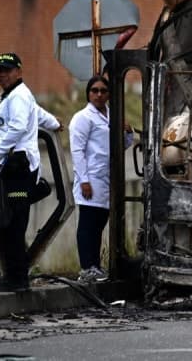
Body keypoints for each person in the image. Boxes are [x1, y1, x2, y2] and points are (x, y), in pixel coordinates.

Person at [0, 52, 41, 292]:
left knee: (13, 225)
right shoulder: (16, 96)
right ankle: (14, 277)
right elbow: (36, 114)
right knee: (9, 225)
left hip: (17, 167)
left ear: (19, 71)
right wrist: (53, 123)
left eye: (7, 70)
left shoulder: (18, 97)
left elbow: (16, 127)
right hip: (13, 167)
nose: (2, 75)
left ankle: (17, 280)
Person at [69, 75, 133, 282]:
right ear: (88, 93)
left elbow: (120, 146)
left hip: (106, 180)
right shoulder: (82, 118)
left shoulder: (111, 116)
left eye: (103, 91)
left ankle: (95, 266)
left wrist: (128, 132)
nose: (98, 94)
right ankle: (87, 267)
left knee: (99, 224)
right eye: (94, 90)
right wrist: (84, 181)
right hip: (91, 179)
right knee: (88, 224)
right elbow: (77, 151)